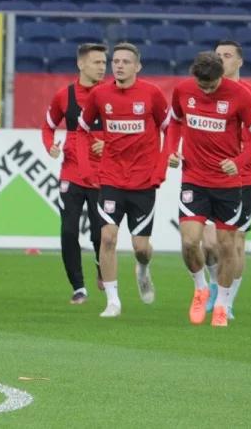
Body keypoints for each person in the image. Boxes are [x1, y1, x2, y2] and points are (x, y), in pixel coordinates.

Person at [165, 51, 251, 327]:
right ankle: (201, 288)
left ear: (221, 76)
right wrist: (170, 151)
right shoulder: (183, 90)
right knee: (190, 242)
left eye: (211, 86)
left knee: (227, 247)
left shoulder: (240, 95)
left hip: (227, 184)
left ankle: (223, 305)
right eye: (202, 85)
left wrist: (239, 161)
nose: (206, 90)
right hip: (194, 178)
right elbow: (175, 121)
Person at [75, 42, 170, 318]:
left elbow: (171, 129)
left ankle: (142, 268)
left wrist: (161, 167)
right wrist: (85, 168)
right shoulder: (100, 94)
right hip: (111, 178)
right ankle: (113, 301)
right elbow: (81, 131)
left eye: (126, 61)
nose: (118, 65)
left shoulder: (152, 94)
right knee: (107, 237)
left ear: (138, 66)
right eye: (115, 61)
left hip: (143, 182)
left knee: (140, 247)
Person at [203, 41, 251, 319]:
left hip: (240, 179)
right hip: (203, 176)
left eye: (227, 56)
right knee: (209, 243)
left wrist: (241, 158)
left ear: (240, 62)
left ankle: (227, 301)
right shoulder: (202, 90)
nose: (222, 60)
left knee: (235, 244)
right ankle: (214, 284)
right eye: (218, 55)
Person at [41, 42, 108, 304]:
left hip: (103, 174)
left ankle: (103, 268)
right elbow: (47, 128)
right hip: (71, 172)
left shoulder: (112, 94)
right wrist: (51, 147)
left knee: (99, 233)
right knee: (69, 231)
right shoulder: (64, 96)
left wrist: (110, 144)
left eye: (104, 63)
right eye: (97, 62)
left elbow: (128, 130)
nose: (102, 67)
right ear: (81, 64)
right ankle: (78, 287)